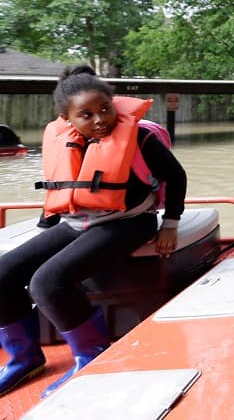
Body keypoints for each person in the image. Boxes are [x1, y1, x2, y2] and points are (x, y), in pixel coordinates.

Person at [0, 65, 186, 397]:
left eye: (105, 109)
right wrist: (44, 228)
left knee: (47, 282)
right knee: (3, 272)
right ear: (67, 119)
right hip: (78, 222)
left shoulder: (140, 138)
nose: (100, 119)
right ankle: (23, 357)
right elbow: (61, 188)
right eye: (86, 115)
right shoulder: (64, 140)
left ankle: (91, 355)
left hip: (129, 222)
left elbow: (176, 176)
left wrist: (170, 224)